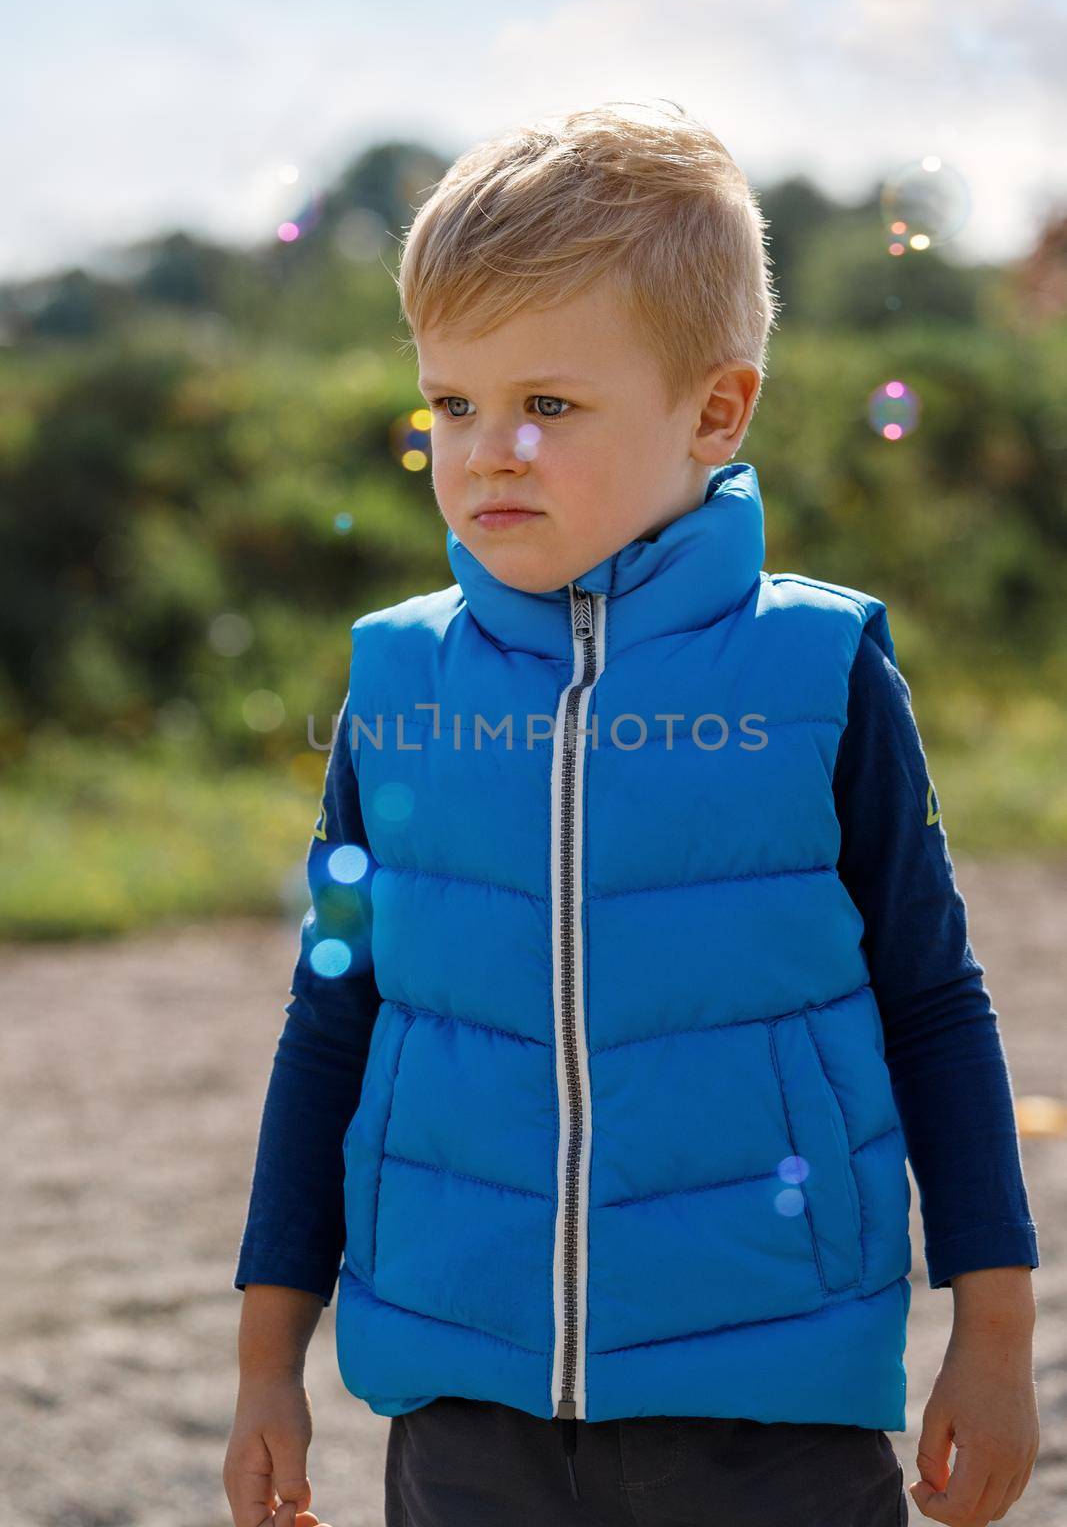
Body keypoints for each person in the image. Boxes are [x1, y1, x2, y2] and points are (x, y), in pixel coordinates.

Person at [224, 101, 1040, 1527]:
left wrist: (996, 1334)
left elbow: (932, 1001)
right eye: (453, 404)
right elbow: (332, 1020)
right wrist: (264, 1366)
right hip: (468, 1415)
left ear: (716, 411)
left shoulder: (819, 675)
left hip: (768, 1410)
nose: (488, 452)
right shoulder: (399, 685)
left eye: (548, 405)